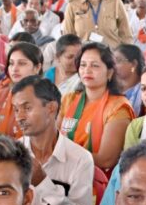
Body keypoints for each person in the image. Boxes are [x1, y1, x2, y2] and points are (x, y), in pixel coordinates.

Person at [13, 76, 94, 205]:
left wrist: (43, 183)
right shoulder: (12, 153)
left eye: (27, 108)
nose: (20, 117)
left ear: (50, 108)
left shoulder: (80, 159)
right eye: (16, 109)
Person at [58, 42, 135, 172]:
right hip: (62, 173)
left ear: (110, 73)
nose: (87, 70)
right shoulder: (69, 99)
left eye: (95, 65)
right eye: (83, 65)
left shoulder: (118, 107)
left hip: (97, 181)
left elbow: (106, 160)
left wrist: (63, 157)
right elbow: (53, 141)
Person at [0, 42, 42, 139]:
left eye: (22, 63)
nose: (14, 69)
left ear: (37, 68)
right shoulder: (0, 96)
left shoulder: (46, 98)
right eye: (11, 63)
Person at [112, 43, 144, 115]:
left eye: (118, 61)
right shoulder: (110, 87)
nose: (113, 66)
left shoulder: (144, 91)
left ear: (133, 64)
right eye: (112, 62)